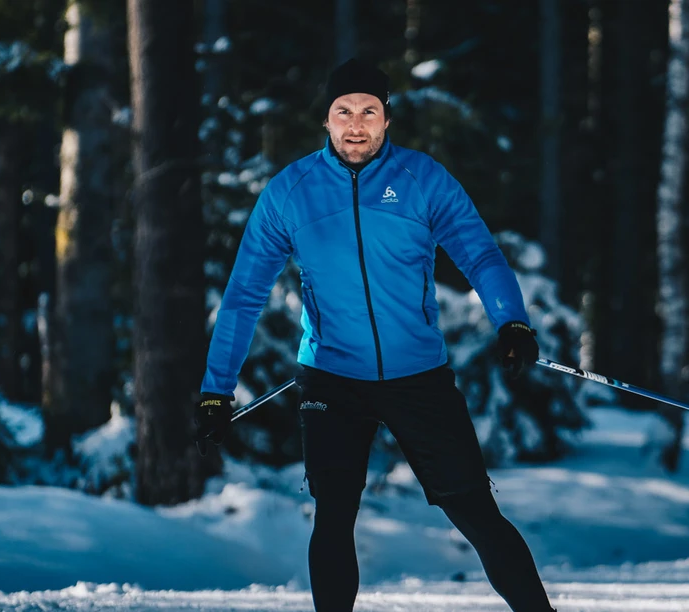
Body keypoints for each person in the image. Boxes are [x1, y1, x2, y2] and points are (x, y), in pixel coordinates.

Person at [192, 58, 556, 612]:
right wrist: (217, 389)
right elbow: (244, 294)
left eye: (369, 111)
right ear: (326, 119)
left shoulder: (423, 180)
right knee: (334, 514)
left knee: (474, 510)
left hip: (419, 376)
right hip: (332, 377)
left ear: (387, 120)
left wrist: (512, 321)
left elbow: (480, 255)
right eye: (344, 112)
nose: (356, 124)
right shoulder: (290, 193)